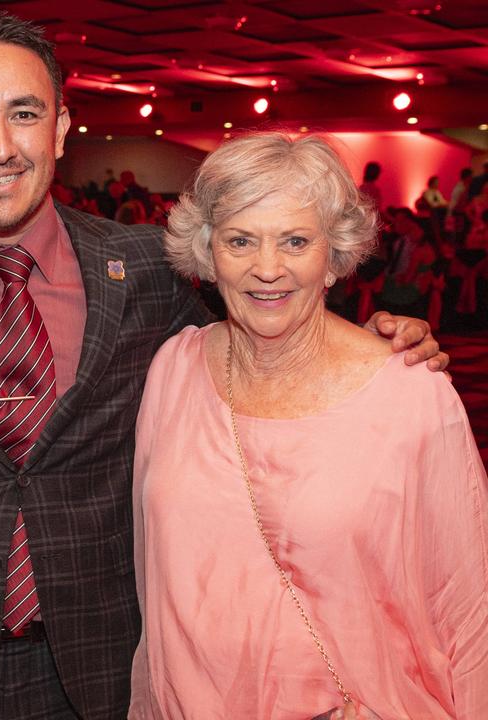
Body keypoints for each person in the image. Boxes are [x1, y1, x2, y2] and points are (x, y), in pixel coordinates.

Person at [0, 11, 447, 720]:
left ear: (59, 127)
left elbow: (265, 330)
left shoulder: (150, 269)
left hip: (106, 671)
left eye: (23, 113)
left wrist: (375, 343)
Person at [131, 131, 487, 718]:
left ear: (334, 255)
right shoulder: (174, 367)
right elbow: (152, 578)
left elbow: (469, 608)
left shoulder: (410, 393)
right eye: (240, 240)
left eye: (295, 240)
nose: (267, 269)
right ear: (207, 254)